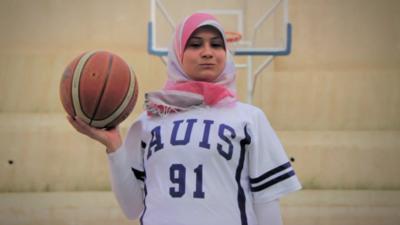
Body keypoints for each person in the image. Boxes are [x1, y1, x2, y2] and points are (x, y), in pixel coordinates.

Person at [68, 12, 301, 225]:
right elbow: (132, 208)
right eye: (195, 44)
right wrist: (114, 147)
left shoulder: (250, 119)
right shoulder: (149, 120)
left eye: (217, 45)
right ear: (178, 53)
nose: (208, 52)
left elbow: (266, 204)